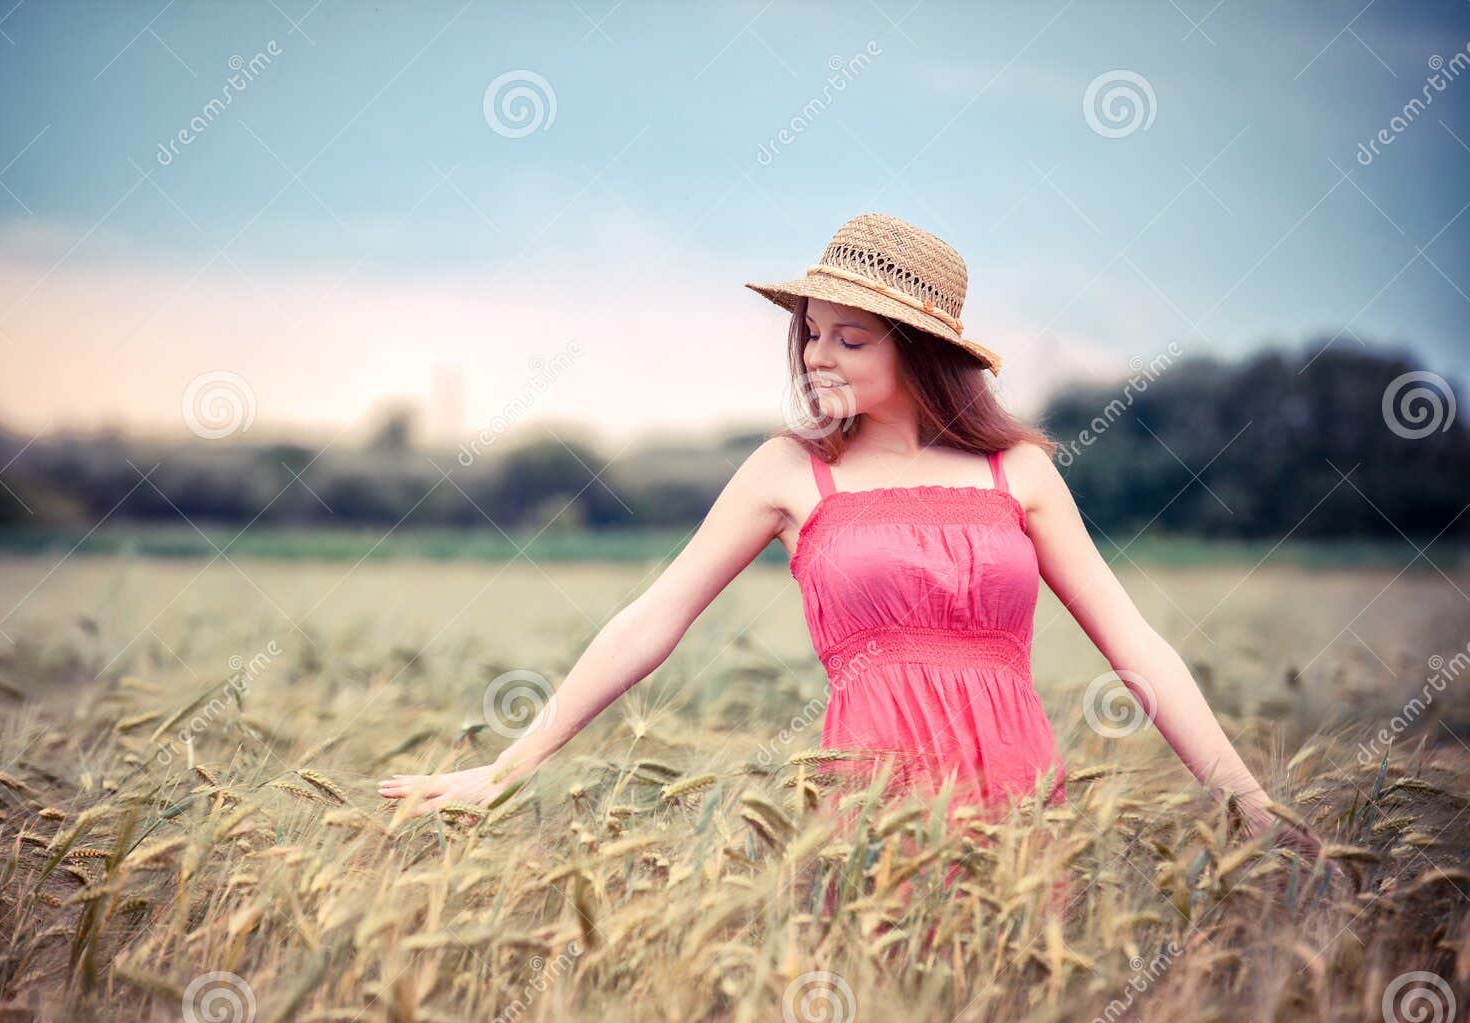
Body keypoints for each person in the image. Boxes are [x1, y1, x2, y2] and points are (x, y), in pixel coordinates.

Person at [379, 212, 1334, 871]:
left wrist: (1245, 796)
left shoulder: (1022, 473)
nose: (814, 356)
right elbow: (649, 621)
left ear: (919, 351)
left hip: (1023, 814)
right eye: (810, 334)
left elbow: (1139, 649)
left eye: (849, 338)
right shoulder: (790, 472)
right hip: (868, 810)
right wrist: (506, 767)